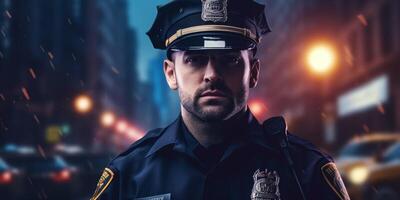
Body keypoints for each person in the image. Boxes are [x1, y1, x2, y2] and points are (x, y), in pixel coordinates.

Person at [91, 0, 350, 199]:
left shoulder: (306, 171)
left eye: (230, 60)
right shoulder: (129, 174)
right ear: (171, 74)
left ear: (254, 73)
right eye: (195, 60)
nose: (212, 75)